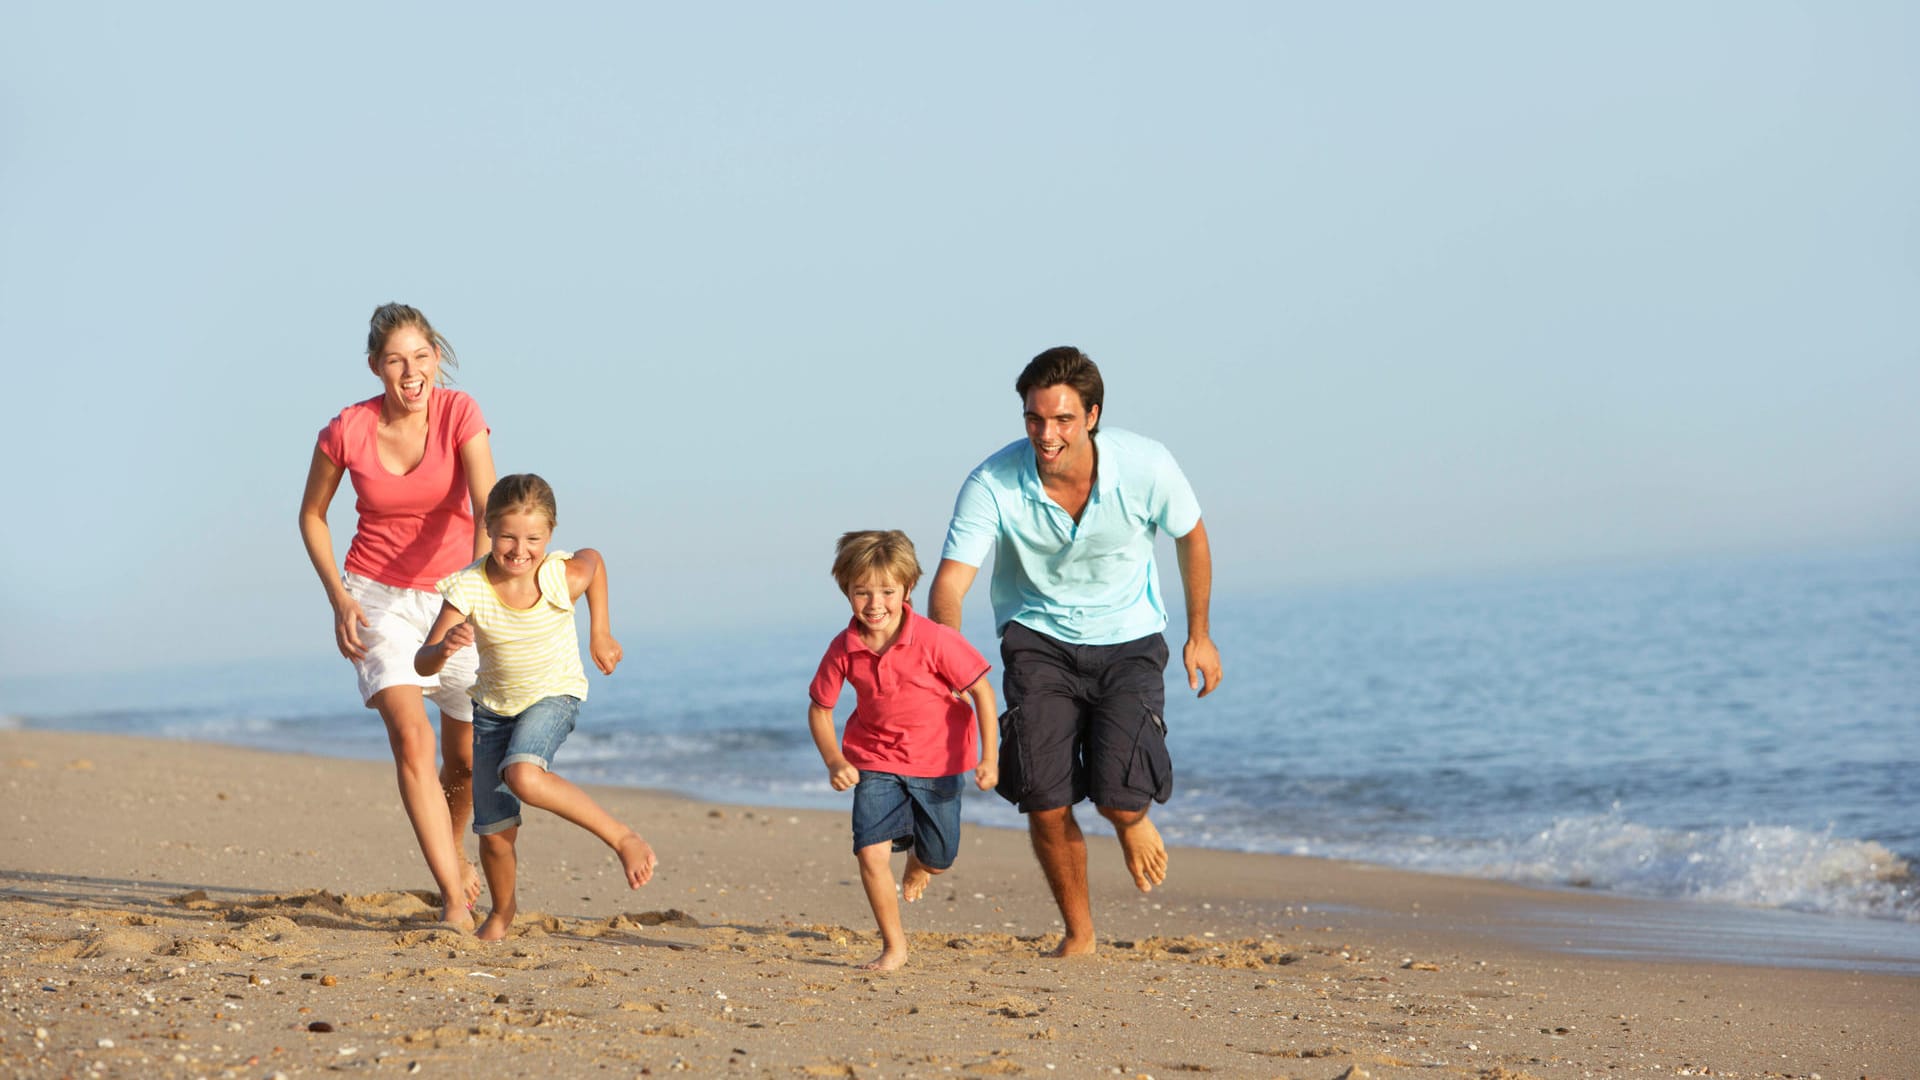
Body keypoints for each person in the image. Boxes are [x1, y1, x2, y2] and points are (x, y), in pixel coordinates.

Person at [928, 346, 1223, 958]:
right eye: (1036, 419)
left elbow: (1191, 536)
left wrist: (1199, 633)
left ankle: (1132, 818)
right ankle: (1080, 934)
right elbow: (950, 583)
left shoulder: (1146, 464)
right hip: (1037, 641)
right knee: (1044, 797)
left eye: (1062, 419)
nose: (1047, 433)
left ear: (1091, 415)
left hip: (1130, 641)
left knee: (1118, 798)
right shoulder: (993, 482)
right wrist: (950, 663)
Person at [299, 302, 496, 929]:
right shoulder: (347, 430)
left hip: (454, 596)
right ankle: (450, 898)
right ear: (375, 368)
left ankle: (453, 848)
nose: (410, 372)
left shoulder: (460, 412)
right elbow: (312, 515)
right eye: (395, 361)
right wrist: (339, 597)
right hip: (377, 597)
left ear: (436, 358)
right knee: (411, 735)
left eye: (420, 357)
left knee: (464, 760)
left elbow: (487, 512)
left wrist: (464, 603)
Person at [415, 473, 657, 941]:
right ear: (487, 528)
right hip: (492, 712)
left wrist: (599, 632)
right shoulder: (468, 587)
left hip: (554, 695)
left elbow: (595, 562)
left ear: (550, 535)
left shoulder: (557, 575)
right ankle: (502, 913)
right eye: (507, 535)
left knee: (524, 775)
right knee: (494, 834)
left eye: (533, 538)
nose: (519, 549)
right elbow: (422, 662)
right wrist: (445, 647)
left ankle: (622, 837)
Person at [807, 530, 999, 971]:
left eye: (887, 592)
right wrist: (835, 760)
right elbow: (820, 710)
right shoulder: (843, 648)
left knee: (941, 856)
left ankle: (920, 860)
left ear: (908, 590)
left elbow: (983, 693)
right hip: (874, 761)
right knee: (870, 852)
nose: (875, 604)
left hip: (939, 764)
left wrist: (990, 758)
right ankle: (894, 946)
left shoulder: (935, 640)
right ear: (847, 592)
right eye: (862, 593)